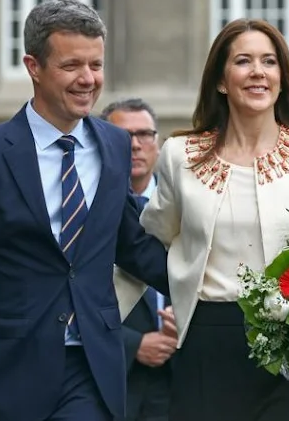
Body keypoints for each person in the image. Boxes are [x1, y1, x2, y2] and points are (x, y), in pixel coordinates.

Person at [0, 0, 168, 421]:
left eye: (96, 65)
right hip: (5, 376)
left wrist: (221, 284)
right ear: (33, 66)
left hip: (93, 368)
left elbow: (131, 244)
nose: (88, 79)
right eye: (72, 66)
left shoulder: (115, 146)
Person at [140, 19, 289, 421]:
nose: (258, 71)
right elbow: (158, 236)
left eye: (269, 61)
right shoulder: (178, 155)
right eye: (243, 61)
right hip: (208, 339)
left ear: (281, 77)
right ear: (221, 80)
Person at [101, 98, 175, 421]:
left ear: (158, 145)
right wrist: (133, 345)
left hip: (180, 383)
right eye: (123, 135)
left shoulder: (184, 208)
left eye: (144, 134)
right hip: (116, 381)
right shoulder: (83, 209)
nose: (134, 145)